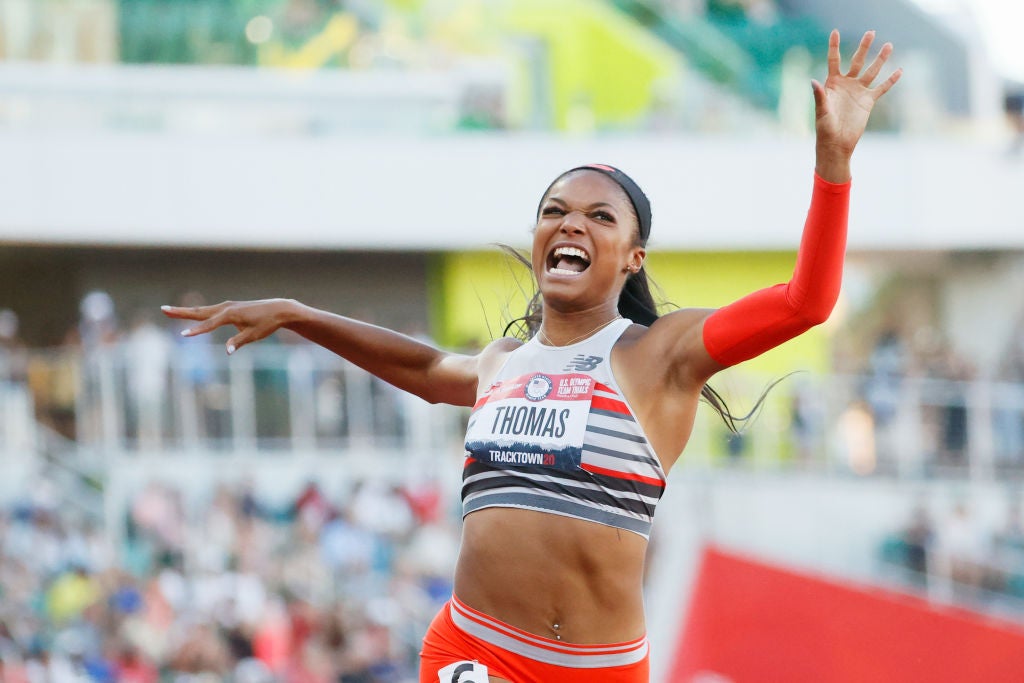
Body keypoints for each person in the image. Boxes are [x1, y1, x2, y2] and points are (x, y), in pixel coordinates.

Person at [162, 30, 900, 683]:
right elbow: (422, 371)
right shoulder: (503, 360)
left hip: (599, 671)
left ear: (632, 258)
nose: (570, 223)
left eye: (598, 216)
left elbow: (806, 302)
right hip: (473, 650)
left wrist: (832, 162)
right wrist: (299, 313)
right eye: (555, 211)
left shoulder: (659, 356)